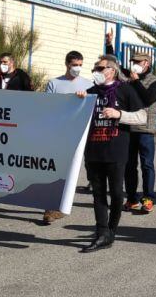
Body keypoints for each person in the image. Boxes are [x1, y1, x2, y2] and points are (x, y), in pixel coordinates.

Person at [74, 55, 145, 253]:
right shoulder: (91, 92)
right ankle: (102, 232)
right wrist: (78, 101)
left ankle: (111, 231)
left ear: (112, 70)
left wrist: (119, 114)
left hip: (116, 151)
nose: (96, 71)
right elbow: (77, 117)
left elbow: (142, 116)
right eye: (94, 68)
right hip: (94, 152)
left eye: (101, 67)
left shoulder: (125, 90)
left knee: (115, 193)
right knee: (98, 194)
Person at [42, 50, 94, 225]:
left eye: (80, 65)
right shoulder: (54, 83)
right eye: (74, 65)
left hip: (80, 133)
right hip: (58, 132)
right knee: (56, 169)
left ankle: (65, 204)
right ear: (67, 65)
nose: (77, 68)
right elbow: (47, 107)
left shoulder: (88, 84)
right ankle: (52, 207)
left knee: (76, 168)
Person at [123, 52, 156, 214]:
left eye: (138, 61)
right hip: (128, 128)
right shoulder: (130, 79)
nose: (134, 64)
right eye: (133, 61)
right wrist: (110, 45)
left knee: (147, 165)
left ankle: (148, 198)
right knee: (129, 165)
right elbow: (116, 68)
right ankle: (132, 198)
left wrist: (136, 81)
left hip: (145, 130)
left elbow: (147, 99)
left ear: (146, 63)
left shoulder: (155, 82)